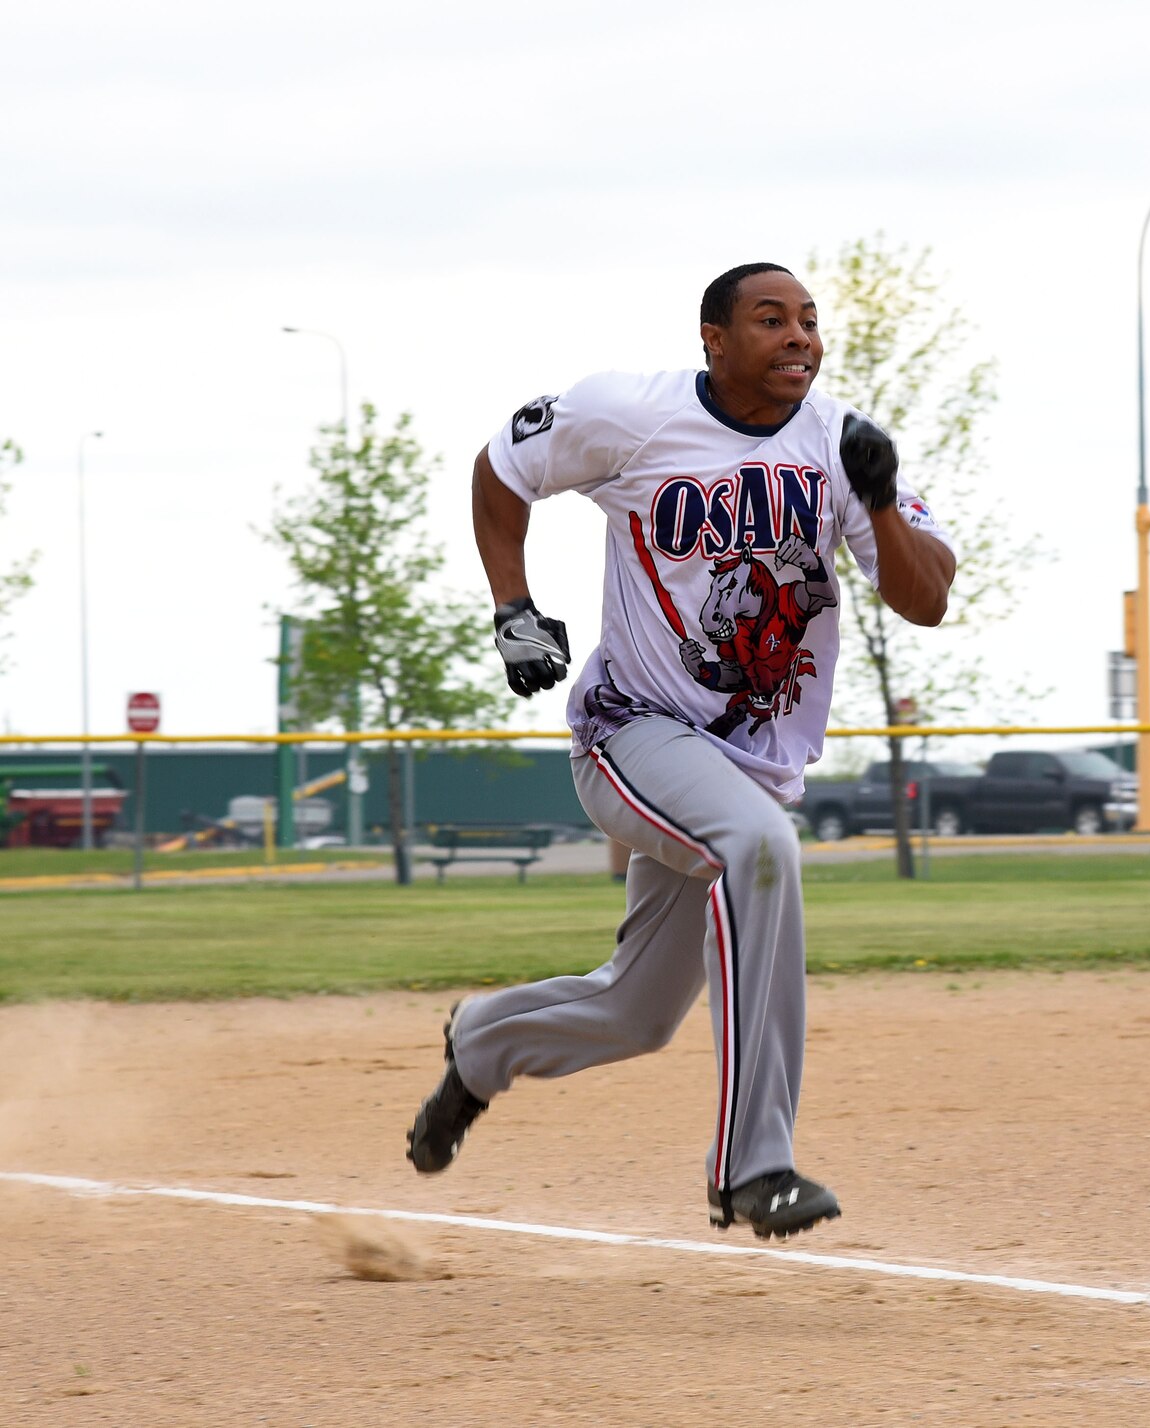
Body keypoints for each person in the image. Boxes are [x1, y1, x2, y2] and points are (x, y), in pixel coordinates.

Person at [405, 262, 956, 1240]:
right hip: (632, 731)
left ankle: (481, 1042)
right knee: (759, 850)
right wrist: (513, 611)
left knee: (636, 1013)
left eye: (809, 322)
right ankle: (755, 1167)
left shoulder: (838, 444)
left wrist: (873, 501)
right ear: (711, 338)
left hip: (740, 766)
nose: (798, 337)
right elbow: (502, 466)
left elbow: (925, 598)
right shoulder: (631, 414)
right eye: (769, 319)